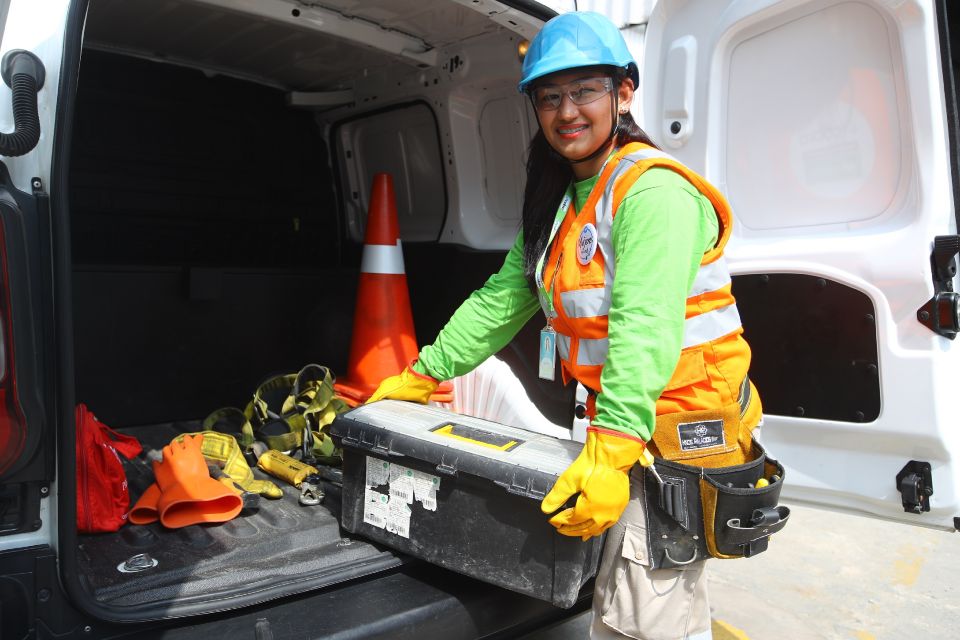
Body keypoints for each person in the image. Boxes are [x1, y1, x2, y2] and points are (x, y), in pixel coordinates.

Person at [368, 11, 762, 640]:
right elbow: (503, 298)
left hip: (676, 434)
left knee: (642, 617)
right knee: (625, 600)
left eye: (585, 91)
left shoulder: (651, 194)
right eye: (549, 97)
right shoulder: (566, 199)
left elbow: (644, 327)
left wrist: (609, 456)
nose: (566, 112)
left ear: (623, 93)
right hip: (626, 426)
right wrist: (425, 373)